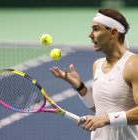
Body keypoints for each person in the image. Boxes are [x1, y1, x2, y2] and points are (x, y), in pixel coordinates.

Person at [50, 8, 138, 140]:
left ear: (113, 32)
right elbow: (100, 109)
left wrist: (105, 119)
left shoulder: (133, 65)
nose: (90, 35)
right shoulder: (97, 65)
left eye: (96, 29)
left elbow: (105, 117)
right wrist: (80, 87)